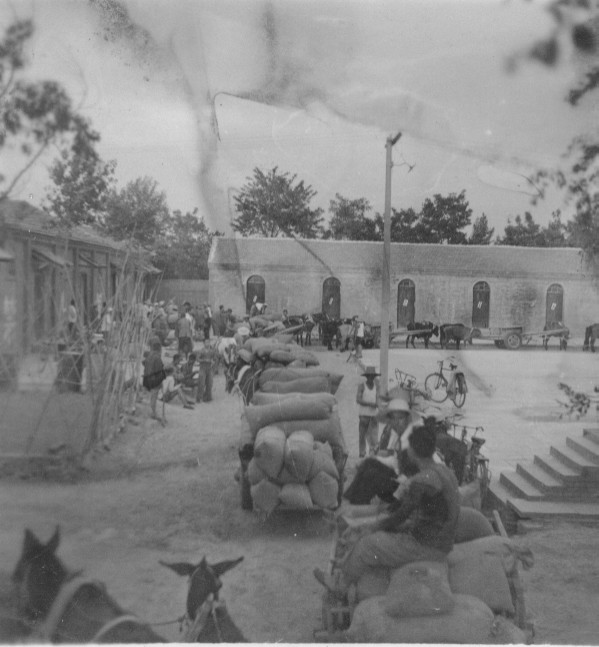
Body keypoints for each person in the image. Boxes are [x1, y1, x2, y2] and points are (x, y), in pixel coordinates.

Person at [314, 418, 460, 596]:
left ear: (413, 451)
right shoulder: (446, 472)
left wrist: (371, 528)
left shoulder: (423, 481)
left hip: (427, 547)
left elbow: (399, 516)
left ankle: (340, 585)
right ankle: (348, 567)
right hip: (440, 542)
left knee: (367, 545)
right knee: (377, 532)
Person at [356, 366, 381, 458]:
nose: (371, 378)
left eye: (372, 376)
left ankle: (372, 453)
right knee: (362, 435)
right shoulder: (362, 386)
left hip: (374, 415)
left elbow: (378, 399)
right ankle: (362, 452)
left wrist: (377, 404)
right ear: (367, 377)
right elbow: (358, 399)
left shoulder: (377, 387)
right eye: (370, 376)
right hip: (364, 415)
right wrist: (370, 404)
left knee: (374, 436)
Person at [143, 340, 166, 420]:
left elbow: (143, 363)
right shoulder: (157, 357)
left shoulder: (149, 356)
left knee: (150, 395)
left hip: (146, 378)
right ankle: (152, 413)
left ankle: (151, 412)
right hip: (154, 380)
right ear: (159, 349)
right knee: (154, 396)